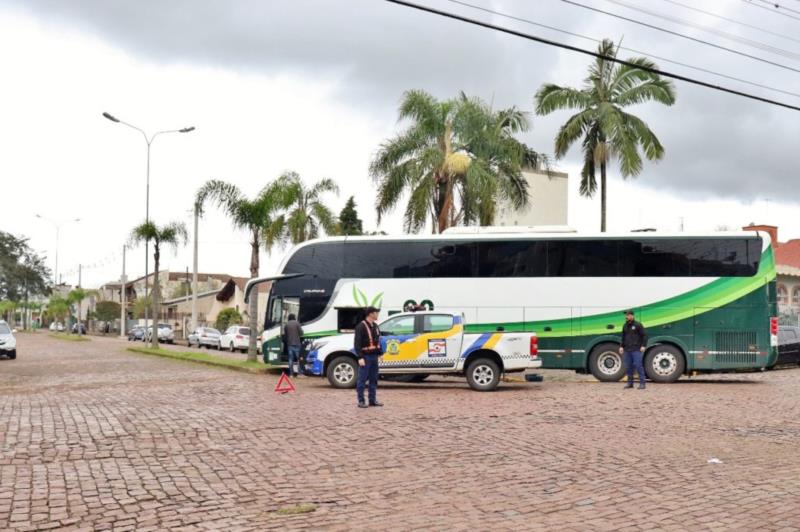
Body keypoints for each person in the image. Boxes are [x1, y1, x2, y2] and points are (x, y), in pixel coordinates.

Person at [354, 306, 383, 408]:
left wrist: (380, 353)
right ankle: (361, 401)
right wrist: (360, 357)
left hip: (374, 356)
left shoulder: (375, 326)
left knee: (373, 379)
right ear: (371, 314)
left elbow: (377, 341)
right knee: (362, 379)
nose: (377, 314)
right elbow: (357, 344)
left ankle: (372, 400)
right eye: (376, 313)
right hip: (365, 357)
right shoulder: (361, 327)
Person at [620, 309, 648, 390]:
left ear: (632, 316)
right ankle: (630, 383)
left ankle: (642, 384)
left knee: (638, 366)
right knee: (629, 367)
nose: (626, 316)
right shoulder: (624, 326)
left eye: (628, 315)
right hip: (627, 350)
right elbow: (623, 337)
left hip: (636, 349)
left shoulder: (638, 325)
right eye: (626, 315)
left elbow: (645, 335)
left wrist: (643, 346)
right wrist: (621, 346)